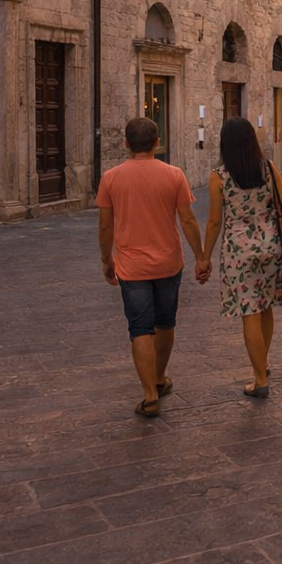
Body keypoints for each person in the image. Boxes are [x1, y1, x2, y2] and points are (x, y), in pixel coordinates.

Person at [96, 117, 206, 418]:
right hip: (169, 262)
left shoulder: (111, 178)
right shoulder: (174, 175)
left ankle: (149, 395)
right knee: (165, 322)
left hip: (131, 267)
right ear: (157, 143)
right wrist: (200, 256)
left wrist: (106, 259)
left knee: (140, 328)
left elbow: (105, 226)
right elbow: (188, 220)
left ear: (126, 144)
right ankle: (159, 377)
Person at [205, 117, 282, 399]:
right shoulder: (269, 169)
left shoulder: (219, 177)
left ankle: (260, 378)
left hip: (239, 250)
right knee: (266, 306)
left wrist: (204, 257)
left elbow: (214, 221)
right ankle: (263, 362)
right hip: (271, 245)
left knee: (249, 311)